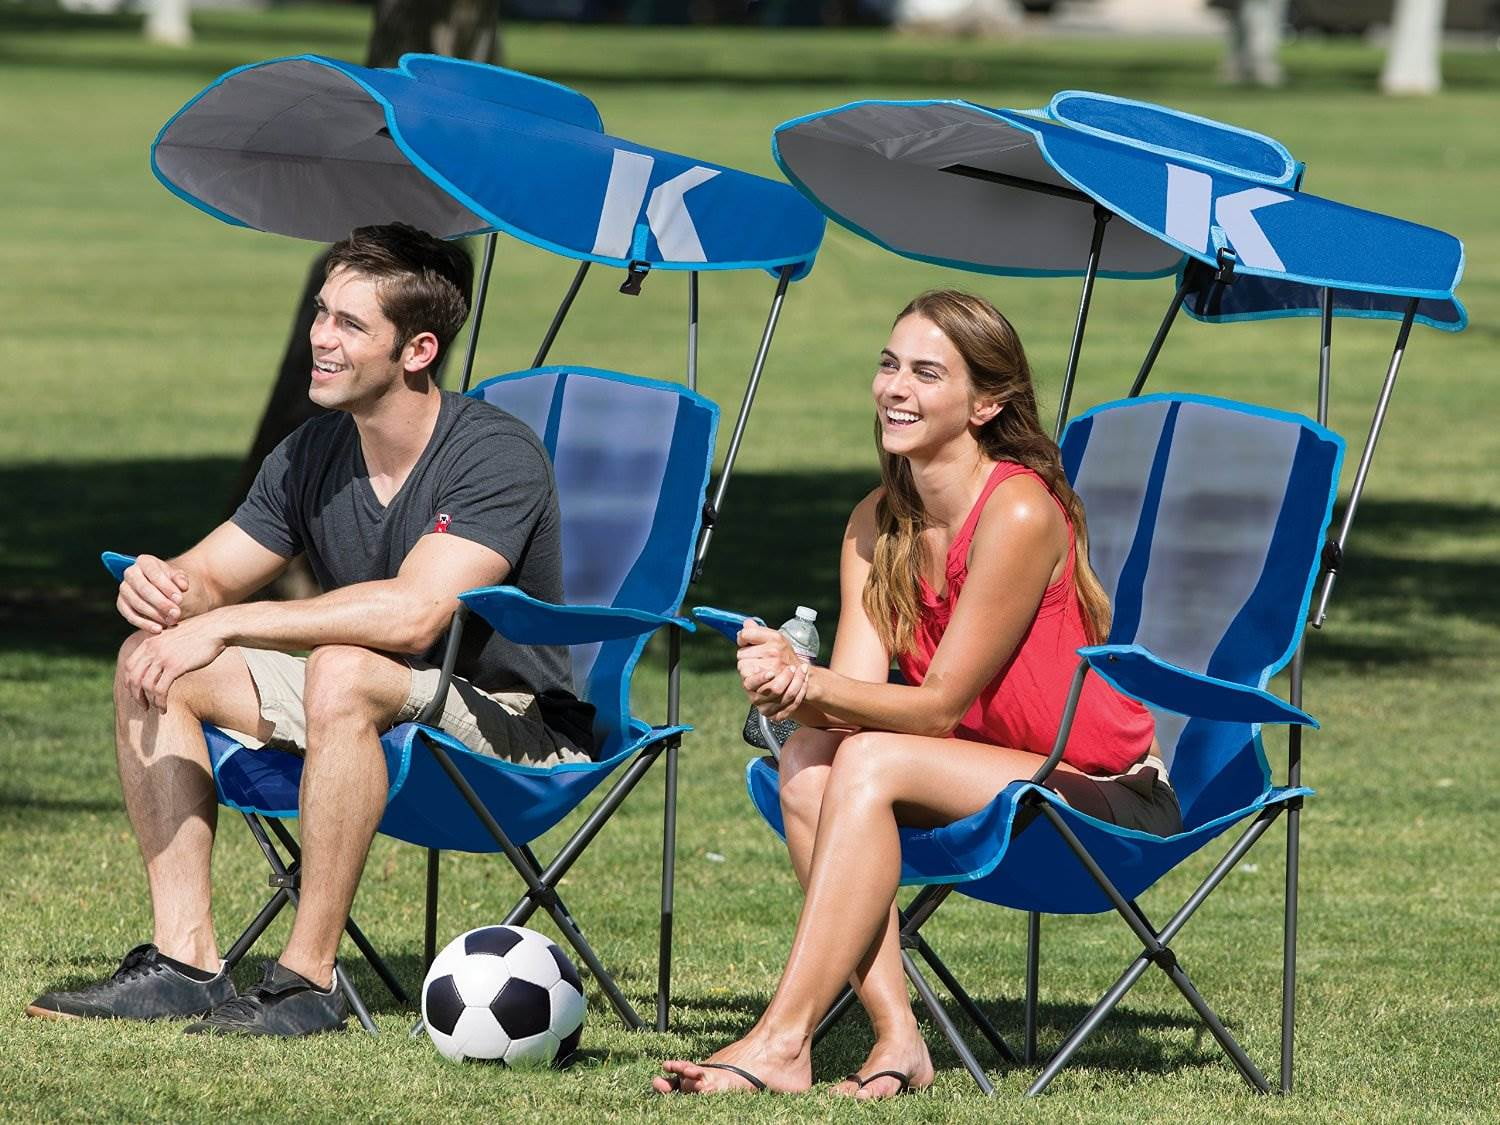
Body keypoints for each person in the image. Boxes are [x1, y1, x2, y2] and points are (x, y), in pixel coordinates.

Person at [27, 223, 593, 1037]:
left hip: (513, 722)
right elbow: (212, 574)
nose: (319, 338)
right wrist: (166, 591)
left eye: (349, 325)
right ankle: (184, 959)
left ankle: (307, 980)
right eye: (321, 312)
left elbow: (415, 613)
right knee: (151, 658)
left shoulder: (494, 452)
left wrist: (225, 622)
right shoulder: (311, 450)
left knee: (341, 666)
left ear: (418, 348)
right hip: (373, 703)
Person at [655, 289, 1181, 1098]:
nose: (896, 387)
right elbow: (860, 697)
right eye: (889, 364)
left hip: (1101, 789)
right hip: (986, 766)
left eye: (927, 373)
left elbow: (931, 707)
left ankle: (782, 1038)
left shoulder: (1016, 509)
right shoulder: (876, 521)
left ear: (986, 403)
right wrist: (790, 686)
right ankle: (899, 1037)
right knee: (807, 756)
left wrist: (815, 684)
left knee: (863, 760)